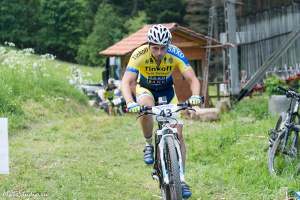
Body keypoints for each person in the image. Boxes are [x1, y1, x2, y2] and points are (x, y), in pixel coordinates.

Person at [121, 24, 202, 199]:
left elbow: (192, 78)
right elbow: (126, 81)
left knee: (179, 133)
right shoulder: (139, 54)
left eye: (163, 48)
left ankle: (181, 179)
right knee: (146, 108)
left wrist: (195, 96)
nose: (159, 52)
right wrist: (129, 102)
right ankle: (148, 144)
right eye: (155, 48)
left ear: (168, 45)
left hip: (167, 92)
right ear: (149, 45)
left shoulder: (175, 53)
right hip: (146, 89)